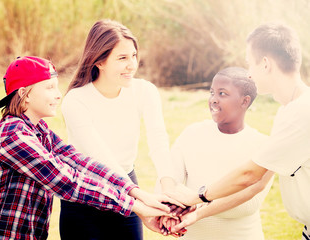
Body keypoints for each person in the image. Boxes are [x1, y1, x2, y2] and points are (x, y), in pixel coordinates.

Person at [0, 56, 178, 240]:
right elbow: (67, 181)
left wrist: (137, 192)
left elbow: (79, 162)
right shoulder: (14, 136)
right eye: (49, 87)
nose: (59, 94)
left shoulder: (39, 131)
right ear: (25, 94)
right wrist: (137, 208)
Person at [166, 23, 310, 239]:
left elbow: (249, 175)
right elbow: (257, 183)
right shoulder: (288, 112)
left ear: (265, 64)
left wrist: (197, 197)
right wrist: (198, 213)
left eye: (249, 64)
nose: (249, 74)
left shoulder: (302, 113)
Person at [60, 19, 175, 240]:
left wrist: (168, 189)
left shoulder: (145, 91)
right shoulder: (76, 101)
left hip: (127, 185)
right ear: (99, 62)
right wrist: (140, 198)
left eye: (133, 56)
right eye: (122, 58)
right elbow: (100, 157)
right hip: (84, 193)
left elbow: (158, 140)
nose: (132, 64)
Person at [161, 67, 273, 239]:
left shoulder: (262, 145)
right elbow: (170, 177)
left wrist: (194, 205)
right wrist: (170, 209)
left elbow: (246, 204)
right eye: (212, 92)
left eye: (222, 94)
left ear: (245, 101)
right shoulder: (192, 133)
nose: (213, 99)